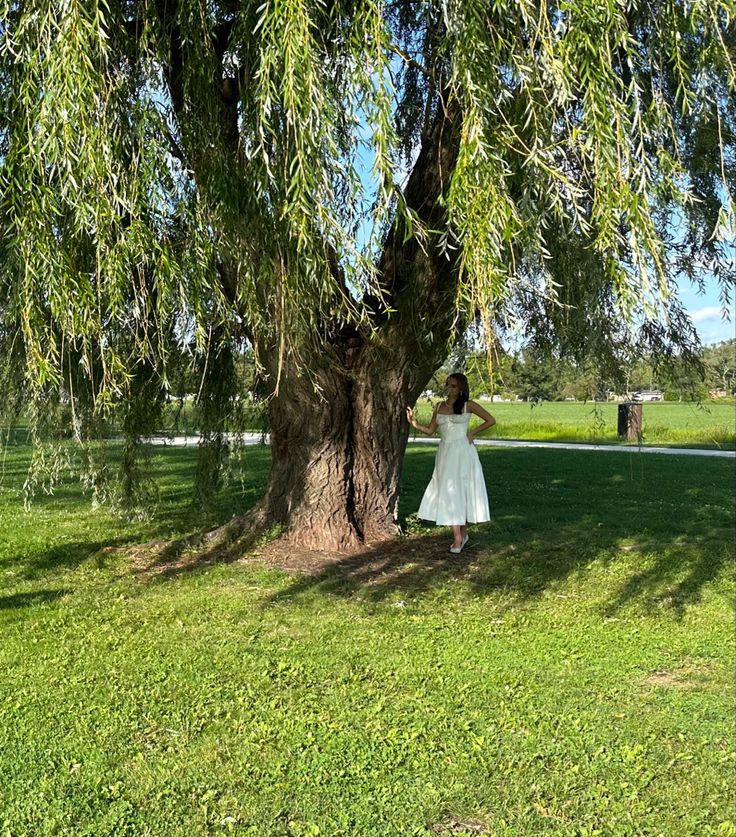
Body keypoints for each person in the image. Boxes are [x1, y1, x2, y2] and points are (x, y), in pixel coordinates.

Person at [406, 373, 496, 553]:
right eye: (448, 385)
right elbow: (431, 430)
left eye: (453, 386)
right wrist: (414, 423)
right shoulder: (439, 406)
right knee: (448, 491)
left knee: (466, 490)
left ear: (461, 387)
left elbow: (490, 420)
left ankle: (461, 534)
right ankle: (457, 537)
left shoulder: (468, 405)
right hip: (445, 453)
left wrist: (472, 433)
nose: (450, 388)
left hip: (463, 452)